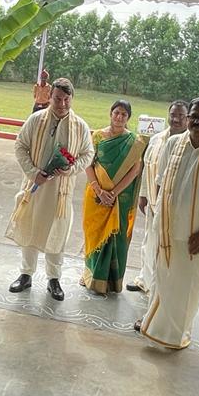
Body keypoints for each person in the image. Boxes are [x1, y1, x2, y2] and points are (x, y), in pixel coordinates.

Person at [139, 98, 199, 349]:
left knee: (188, 286)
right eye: (194, 116)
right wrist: (158, 216)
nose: (197, 121)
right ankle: (154, 324)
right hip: (166, 229)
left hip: (195, 235)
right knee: (161, 277)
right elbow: (160, 181)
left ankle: (176, 335)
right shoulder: (173, 144)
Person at [6, 78, 94, 301]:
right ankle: (26, 274)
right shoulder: (36, 119)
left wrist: (72, 169)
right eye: (57, 99)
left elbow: (88, 154)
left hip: (60, 192)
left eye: (66, 100)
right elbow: (20, 146)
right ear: (50, 97)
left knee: (57, 233)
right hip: (35, 187)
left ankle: (54, 279)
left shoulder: (80, 126)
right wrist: (32, 172)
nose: (62, 104)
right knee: (30, 227)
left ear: (72, 99)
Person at [79, 100, 146, 294]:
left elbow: (135, 170)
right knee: (93, 234)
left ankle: (110, 281)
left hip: (120, 198)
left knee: (117, 237)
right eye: (116, 112)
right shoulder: (98, 136)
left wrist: (114, 193)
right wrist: (99, 190)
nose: (119, 117)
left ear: (128, 118)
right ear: (110, 113)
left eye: (124, 114)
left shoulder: (134, 142)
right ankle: (90, 276)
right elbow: (88, 163)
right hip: (95, 195)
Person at [128, 100, 189, 298]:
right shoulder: (157, 139)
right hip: (154, 201)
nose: (176, 119)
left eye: (181, 116)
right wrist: (143, 195)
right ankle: (145, 280)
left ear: (188, 118)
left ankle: (162, 286)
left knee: (169, 246)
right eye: (173, 115)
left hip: (175, 206)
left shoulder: (190, 143)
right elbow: (147, 167)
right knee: (149, 240)